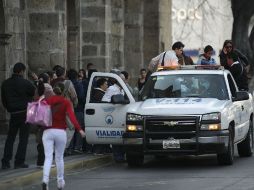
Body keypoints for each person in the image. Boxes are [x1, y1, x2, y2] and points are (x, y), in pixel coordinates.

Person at [38, 82, 85, 190]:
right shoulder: (66, 102)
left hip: (48, 132)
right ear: (63, 91)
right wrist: (80, 129)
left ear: (53, 91)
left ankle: (45, 180)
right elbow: (72, 117)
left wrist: (41, 98)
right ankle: (60, 181)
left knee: (48, 157)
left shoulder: (47, 100)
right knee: (59, 158)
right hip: (60, 132)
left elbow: (38, 110)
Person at [1, 62, 36, 169]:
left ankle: (5, 162)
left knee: (10, 138)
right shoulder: (25, 83)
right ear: (21, 71)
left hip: (13, 113)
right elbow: (34, 92)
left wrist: (9, 108)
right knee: (23, 138)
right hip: (25, 113)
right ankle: (19, 161)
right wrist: (35, 80)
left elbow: (4, 100)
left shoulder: (5, 83)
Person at [36, 73, 55, 168]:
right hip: (47, 115)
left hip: (39, 114)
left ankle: (40, 161)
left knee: (41, 138)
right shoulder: (48, 88)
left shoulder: (38, 87)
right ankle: (46, 162)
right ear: (48, 79)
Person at [66, 69, 86, 154]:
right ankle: (77, 147)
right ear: (76, 76)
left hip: (68, 109)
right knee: (78, 128)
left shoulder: (65, 84)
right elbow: (81, 97)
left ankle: (69, 148)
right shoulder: (78, 84)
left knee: (70, 128)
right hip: (78, 109)